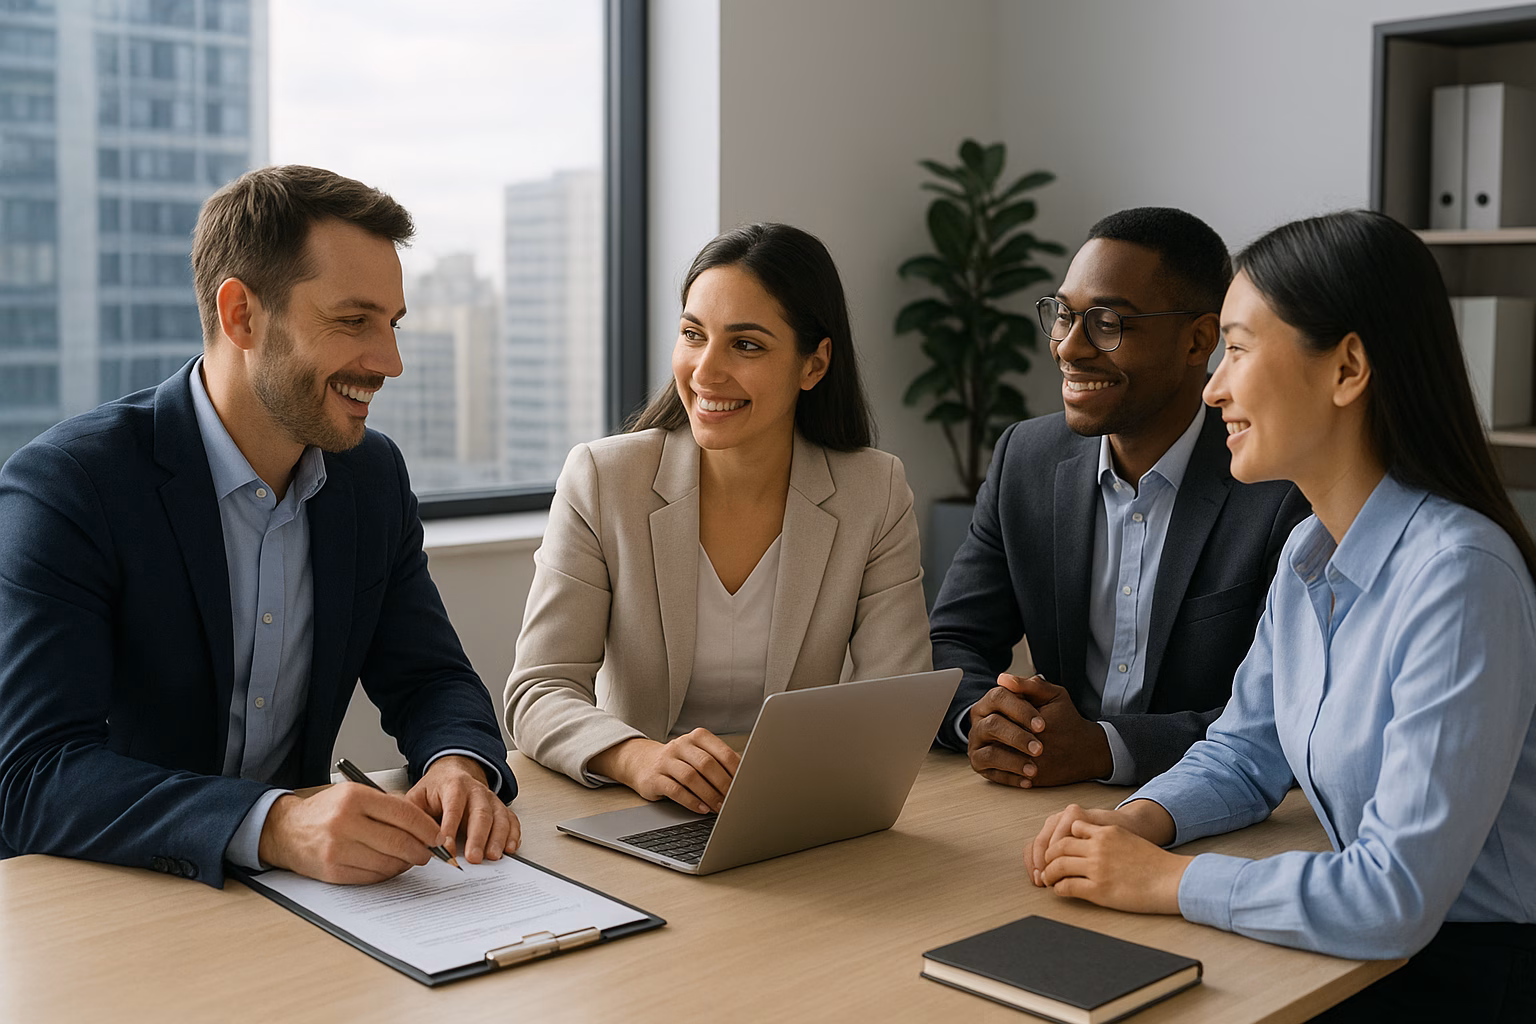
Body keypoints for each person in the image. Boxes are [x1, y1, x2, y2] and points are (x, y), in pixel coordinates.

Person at [1026, 210, 1536, 1020]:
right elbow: (1243, 752)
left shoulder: (1459, 575)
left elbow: (1393, 895)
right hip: (1372, 957)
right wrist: (1128, 826)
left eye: (1235, 347)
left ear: (1348, 368)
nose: (1213, 385)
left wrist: (1168, 881)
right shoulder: (1310, 549)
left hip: (1473, 973)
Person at [0, 165, 519, 888]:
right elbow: (36, 776)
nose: (390, 363)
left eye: (392, 325)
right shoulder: (69, 486)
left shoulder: (370, 477)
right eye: (353, 320)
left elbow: (429, 678)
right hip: (108, 904)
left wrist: (457, 764)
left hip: (297, 903)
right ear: (242, 314)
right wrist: (276, 824)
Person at [506, 223, 932, 812]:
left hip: (794, 806)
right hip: (636, 806)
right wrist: (638, 758)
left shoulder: (874, 492)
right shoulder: (603, 480)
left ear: (813, 365)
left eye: (746, 344)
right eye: (693, 334)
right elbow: (538, 691)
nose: (705, 372)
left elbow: (893, 702)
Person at [929, 208, 1309, 788]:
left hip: (1215, 815)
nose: (1069, 348)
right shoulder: (1025, 460)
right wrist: (983, 718)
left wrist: (1105, 749)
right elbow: (954, 639)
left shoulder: (1278, 486)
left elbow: (1287, 711)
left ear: (1199, 341)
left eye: (1108, 322)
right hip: (1042, 801)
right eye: (1063, 316)